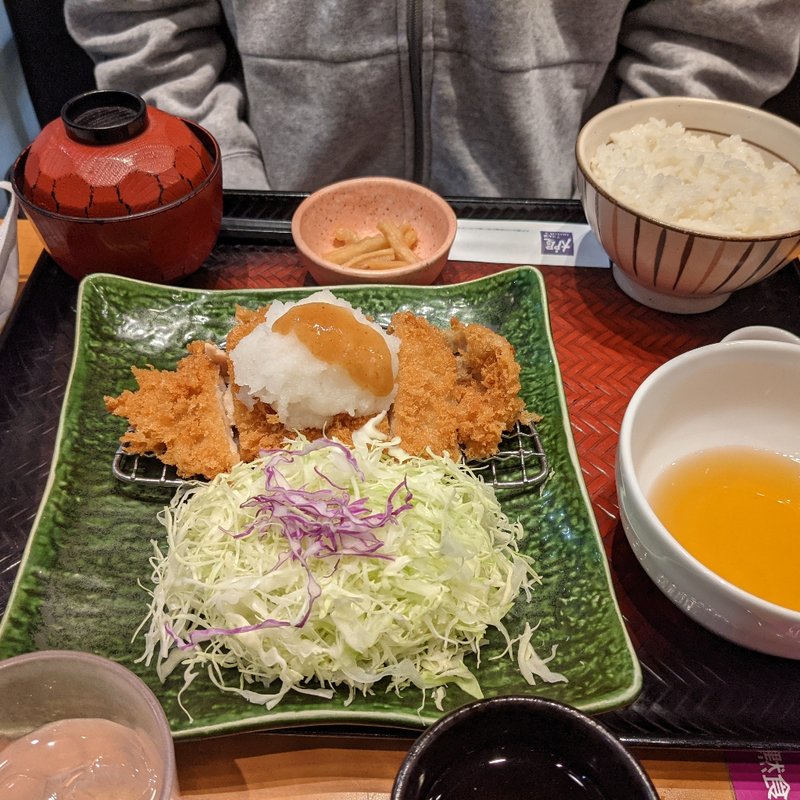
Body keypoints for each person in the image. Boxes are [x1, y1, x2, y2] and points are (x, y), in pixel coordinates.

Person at [64, 1, 800, 199]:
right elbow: (139, 15)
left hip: (578, 233)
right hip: (269, 219)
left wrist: (625, 191)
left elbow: (717, 29)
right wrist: (228, 183)